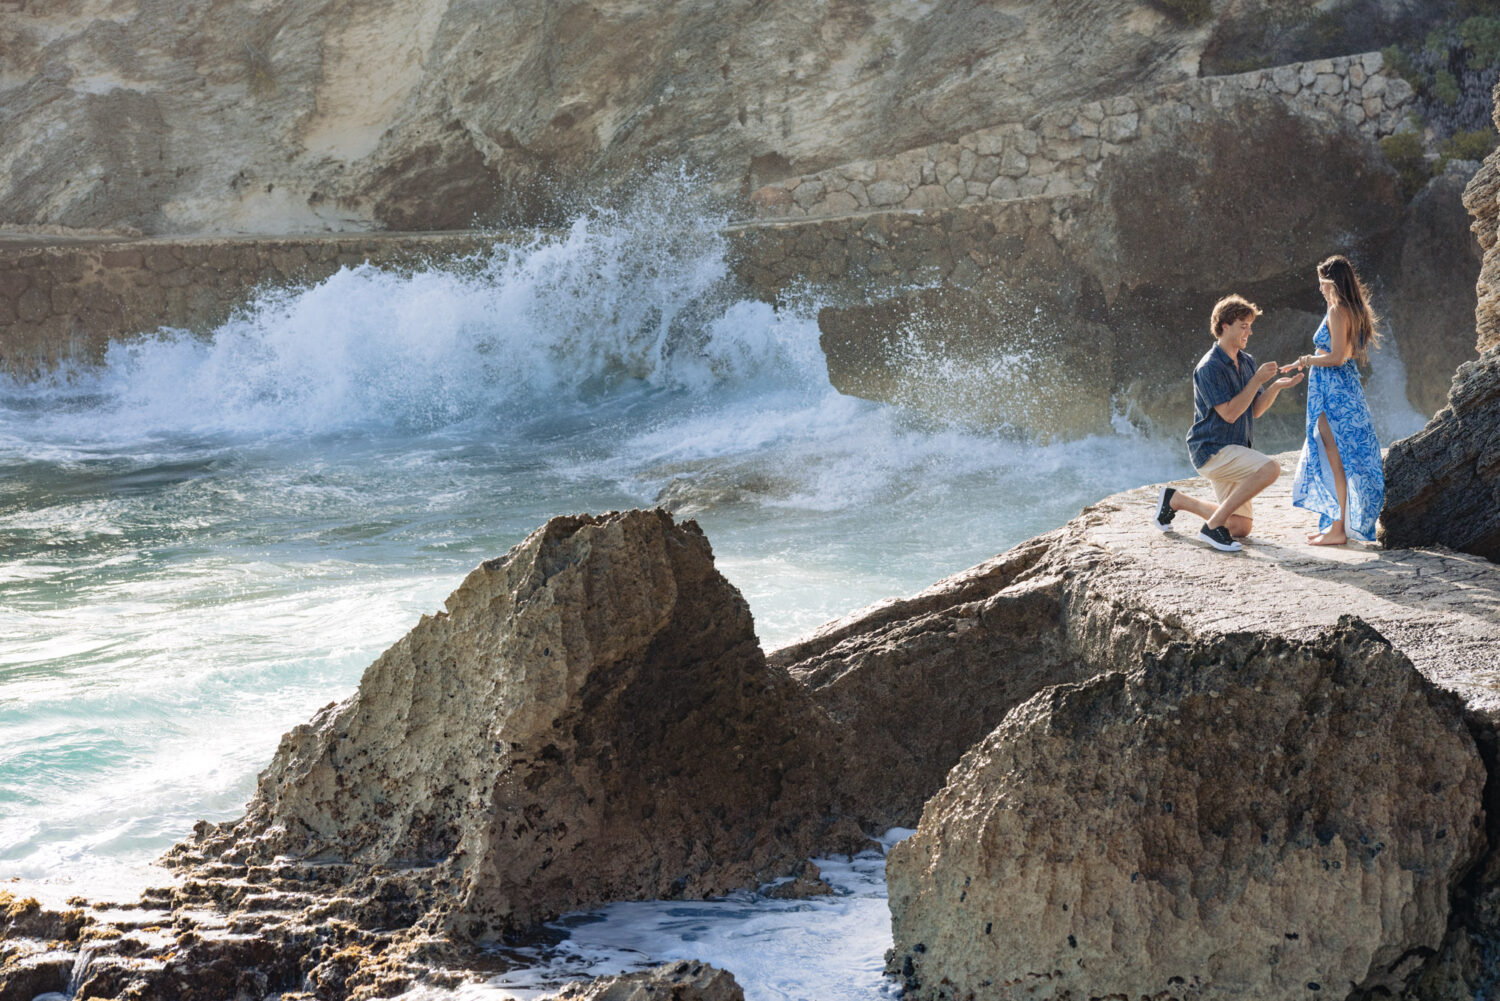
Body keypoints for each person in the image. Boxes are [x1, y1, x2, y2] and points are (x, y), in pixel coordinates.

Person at [1151, 294, 1304, 552]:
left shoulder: (1246, 361)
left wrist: (1275, 386)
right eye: (1243, 326)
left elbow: (1254, 410)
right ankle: (1211, 529)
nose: (1249, 332)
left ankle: (1176, 500)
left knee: (1241, 527)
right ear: (1224, 326)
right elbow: (1230, 414)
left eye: (1250, 326)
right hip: (1212, 450)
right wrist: (1256, 380)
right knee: (1271, 469)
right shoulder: (1209, 367)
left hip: (1233, 448)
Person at [1289, 255, 1384, 545]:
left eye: (1321, 283)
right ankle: (1335, 523)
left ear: (1332, 282)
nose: (1319, 289)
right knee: (1337, 457)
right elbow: (1349, 355)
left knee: (1336, 460)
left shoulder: (1337, 311)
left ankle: (1338, 529)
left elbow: (1337, 356)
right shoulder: (1353, 309)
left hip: (1333, 394)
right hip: (1343, 390)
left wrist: (1307, 359)